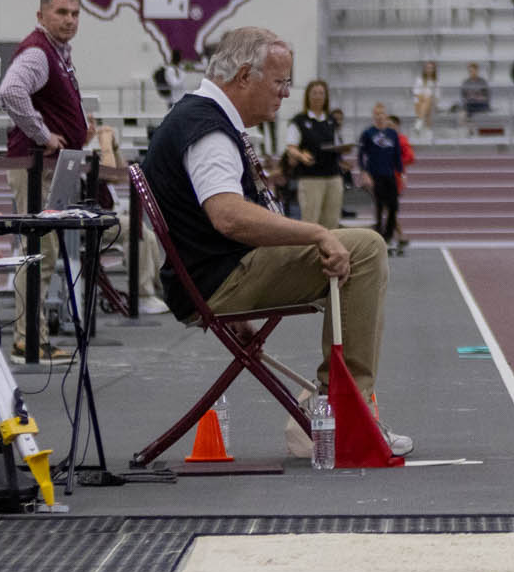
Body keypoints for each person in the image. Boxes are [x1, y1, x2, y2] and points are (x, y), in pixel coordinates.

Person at [140, 27, 408, 452]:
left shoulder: (200, 117)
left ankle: (330, 407)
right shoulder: (207, 130)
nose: (285, 93)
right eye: (280, 82)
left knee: (353, 248)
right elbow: (227, 216)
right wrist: (317, 232)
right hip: (220, 279)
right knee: (367, 248)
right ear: (244, 76)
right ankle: (342, 416)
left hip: (213, 276)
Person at [0, 0, 88, 365]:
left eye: (74, 14)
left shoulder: (57, 53)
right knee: (38, 252)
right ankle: (27, 340)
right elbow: (12, 91)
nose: (69, 20)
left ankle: (32, 337)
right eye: (61, 13)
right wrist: (42, 133)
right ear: (41, 16)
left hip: (48, 167)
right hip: (37, 167)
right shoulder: (38, 51)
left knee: (43, 251)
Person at [87, 114, 169, 313]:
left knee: (147, 235)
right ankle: (141, 294)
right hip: (90, 218)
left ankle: (160, 289)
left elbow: (119, 175)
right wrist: (105, 144)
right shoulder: (79, 151)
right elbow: (109, 172)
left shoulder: (92, 150)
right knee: (136, 229)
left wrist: (113, 147)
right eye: (88, 122)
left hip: (106, 215)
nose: (94, 127)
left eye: (94, 122)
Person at [282, 79, 348, 231]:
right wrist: (301, 156)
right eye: (314, 93)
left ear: (326, 97)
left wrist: (344, 149)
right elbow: (291, 147)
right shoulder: (299, 120)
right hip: (310, 177)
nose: (318, 96)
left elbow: (338, 144)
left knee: (332, 221)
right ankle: (310, 254)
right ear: (308, 96)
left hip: (333, 176)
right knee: (311, 220)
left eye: (321, 93)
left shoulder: (331, 120)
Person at [357, 102, 405, 251]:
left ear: (386, 116)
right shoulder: (368, 133)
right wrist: (364, 172)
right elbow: (361, 155)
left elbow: (397, 154)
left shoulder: (392, 134)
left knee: (393, 206)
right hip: (375, 175)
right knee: (379, 206)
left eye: (381, 114)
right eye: (376, 114)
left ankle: (388, 235)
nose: (379, 117)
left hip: (390, 174)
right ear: (373, 116)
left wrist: (401, 173)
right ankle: (379, 237)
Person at [411, 61, 439, 144]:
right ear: (424, 69)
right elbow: (416, 93)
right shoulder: (419, 80)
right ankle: (428, 134)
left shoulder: (436, 82)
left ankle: (419, 122)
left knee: (428, 100)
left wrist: (428, 99)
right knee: (426, 102)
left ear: (434, 70)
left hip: (431, 104)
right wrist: (425, 98)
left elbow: (437, 96)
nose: (429, 70)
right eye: (427, 68)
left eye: (431, 68)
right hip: (419, 103)